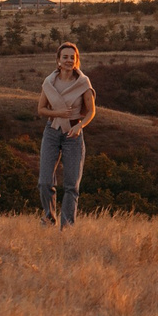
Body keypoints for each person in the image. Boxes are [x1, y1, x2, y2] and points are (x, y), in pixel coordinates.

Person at [36, 43, 97, 225]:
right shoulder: (49, 83)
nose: (69, 60)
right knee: (44, 182)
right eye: (65, 57)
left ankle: (67, 226)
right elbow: (41, 109)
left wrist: (80, 126)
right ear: (58, 61)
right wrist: (57, 113)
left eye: (72, 57)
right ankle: (49, 217)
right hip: (52, 131)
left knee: (71, 185)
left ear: (77, 61)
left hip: (73, 133)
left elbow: (91, 111)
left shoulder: (83, 83)